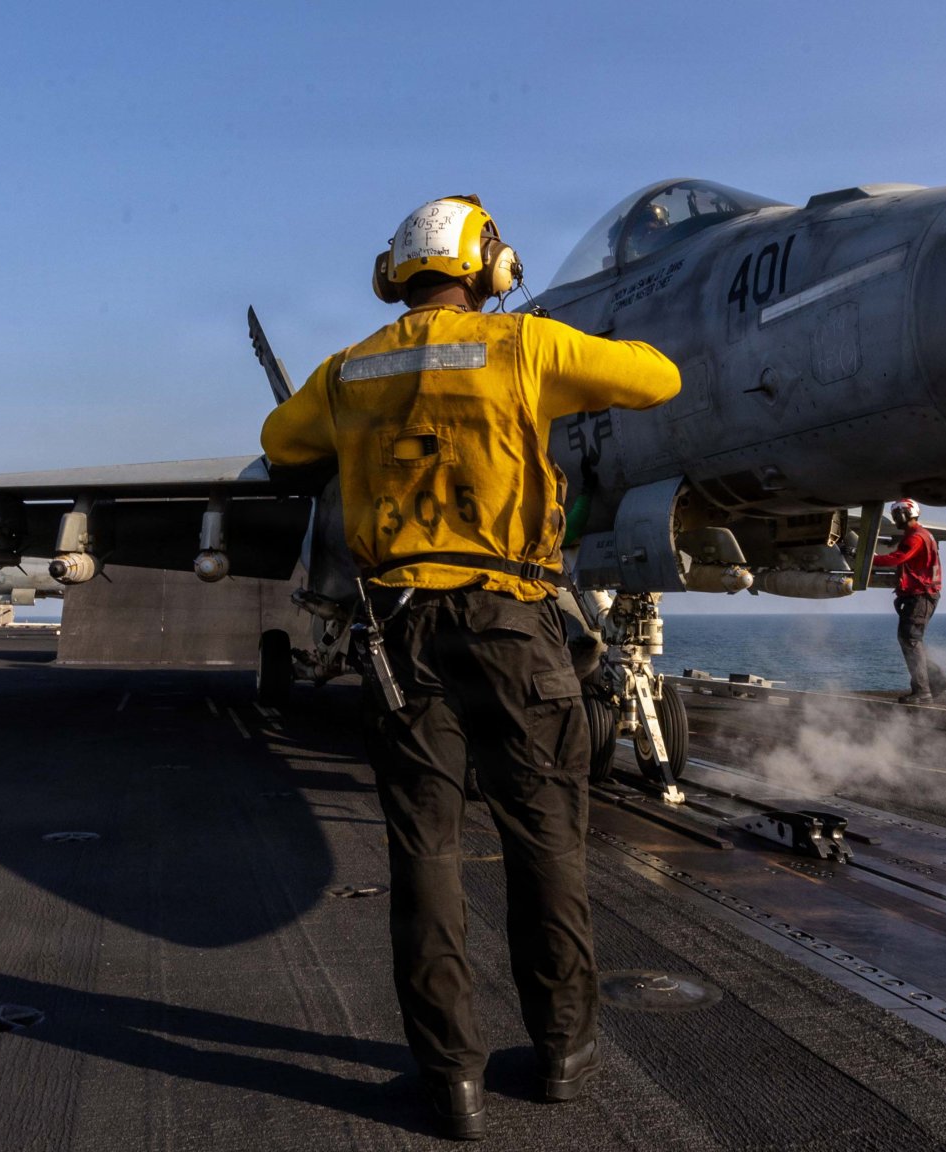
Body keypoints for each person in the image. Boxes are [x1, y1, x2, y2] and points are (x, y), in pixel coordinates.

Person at [260, 195, 680, 1140]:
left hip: (398, 633)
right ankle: (564, 1052)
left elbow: (280, 442)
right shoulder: (524, 346)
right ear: (490, 268)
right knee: (545, 839)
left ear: (392, 275)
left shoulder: (350, 368)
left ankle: (452, 1080)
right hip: (511, 624)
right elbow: (658, 379)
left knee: (426, 853)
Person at [873, 498, 946, 704]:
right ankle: (936, 681)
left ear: (906, 514)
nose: (896, 519)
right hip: (920, 595)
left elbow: (897, 558)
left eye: (898, 515)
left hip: (921, 596)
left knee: (910, 640)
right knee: (913, 640)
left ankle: (923, 691)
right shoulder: (921, 534)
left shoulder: (915, 537)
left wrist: (868, 558)